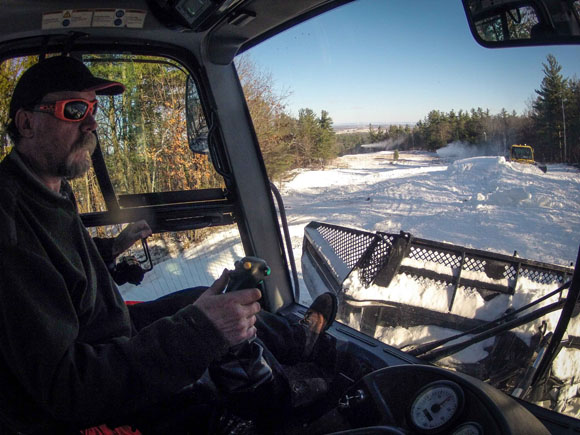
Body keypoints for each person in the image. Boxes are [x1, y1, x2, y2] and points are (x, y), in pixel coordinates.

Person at [0, 55, 337, 434]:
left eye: (93, 108)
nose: (93, 123)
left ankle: (297, 340)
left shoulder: (48, 189)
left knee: (196, 298)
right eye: (75, 109)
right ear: (27, 123)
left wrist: (113, 249)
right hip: (82, 389)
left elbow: (59, 263)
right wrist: (201, 331)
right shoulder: (9, 225)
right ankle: (281, 398)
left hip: (106, 329)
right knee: (214, 386)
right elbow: (66, 387)